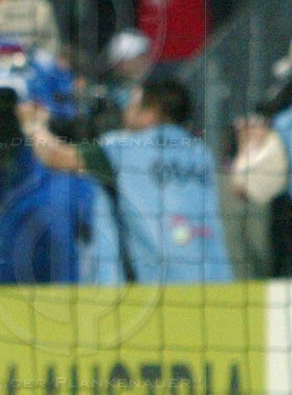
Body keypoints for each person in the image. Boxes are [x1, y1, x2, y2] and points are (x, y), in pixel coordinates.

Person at [21, 78, 232, 284]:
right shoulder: (201, 154)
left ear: (151, 112)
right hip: (215, 285)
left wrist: (33, 124)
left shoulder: (124, 149)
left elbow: (53, 156)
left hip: (152, 293)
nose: (124, 112)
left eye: (131, 104)